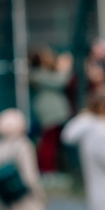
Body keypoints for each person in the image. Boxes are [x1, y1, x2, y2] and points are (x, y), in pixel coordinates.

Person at [29, 46, 73, 174]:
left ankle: (50, 170)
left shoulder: (44, 72)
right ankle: (47, 171)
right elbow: (60, 81)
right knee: (49, 143)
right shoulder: (37, 74)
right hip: (50, 114)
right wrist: (65, 68)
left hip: (56, 113)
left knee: (53, 143)